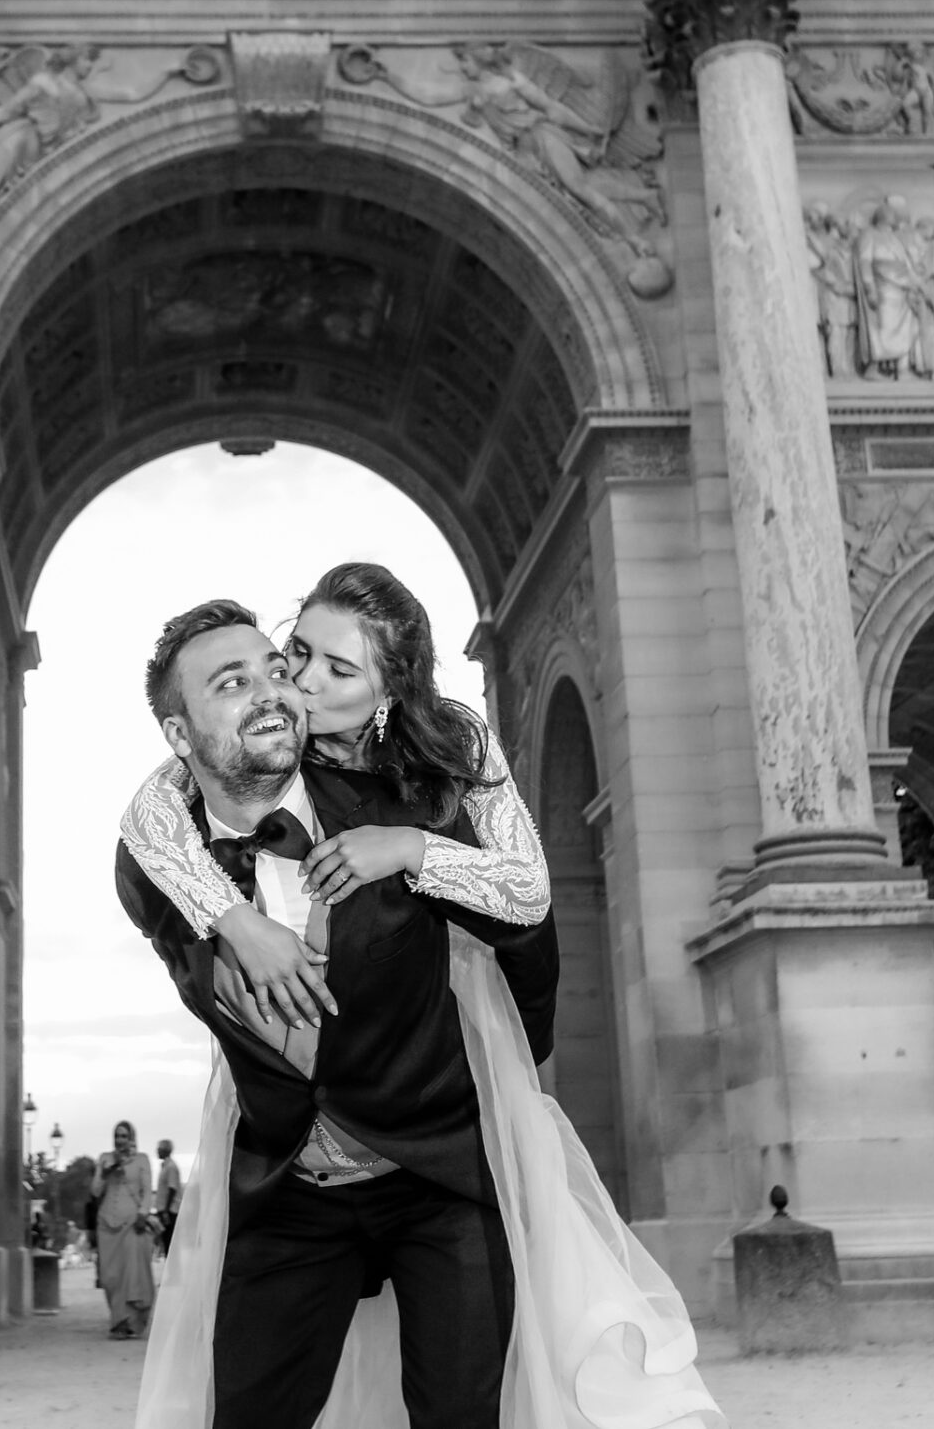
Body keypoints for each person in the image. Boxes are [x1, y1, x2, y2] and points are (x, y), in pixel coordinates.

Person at [117, 569, 720, 1429]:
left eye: (314, 670)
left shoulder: (420, 795)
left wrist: (415, 856)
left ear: (387, 691)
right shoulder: (165, 849)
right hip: (288, 1184)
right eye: (286, 660)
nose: (291, 686)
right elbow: (151, 808)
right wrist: (233, 919)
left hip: (438, 1170)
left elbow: (528, 916)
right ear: (181, 731)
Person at [92, 1122, 158, 1340]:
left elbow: (147, 1191)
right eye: (117, 1136)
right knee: (110, 1276)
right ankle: (117, 1316)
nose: (120, 1140)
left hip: (131, 1222)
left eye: (124, 1136)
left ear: (131, 1138)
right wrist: (106, 1172)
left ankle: (126, 1323)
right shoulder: (105, 1158)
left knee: (130, 1273)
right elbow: (95, 1191)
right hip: (106, 1223)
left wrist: (143, 1214)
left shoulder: (142, 1160)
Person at [153, 1139, 183, 1258]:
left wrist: (166, 1210)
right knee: (165, 1241)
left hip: (170, 1211)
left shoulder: (171, 1167)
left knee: (170, 1242)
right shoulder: (165, 1166)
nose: (157, 1151)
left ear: (165, 1150)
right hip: (164, 1210)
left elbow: (172, 1188)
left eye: (159, 1148)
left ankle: (173, 1266)